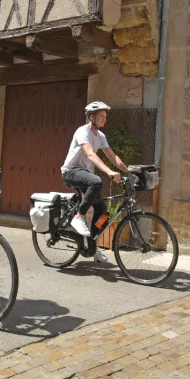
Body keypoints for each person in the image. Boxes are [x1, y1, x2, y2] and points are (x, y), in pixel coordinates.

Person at [61, 101, 129, 263]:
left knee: (103, 212)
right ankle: (79, 216)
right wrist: (109, 172)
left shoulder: (101, 136)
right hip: (71, 172)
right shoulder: (82, 131)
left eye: (105, 116)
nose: (105, 119)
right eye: (101, 116)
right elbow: (90, 154)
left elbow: (113, 157)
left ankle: (92, 247)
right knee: (97, 182)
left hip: (85, 175)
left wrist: (129, 172)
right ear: (92, 117)